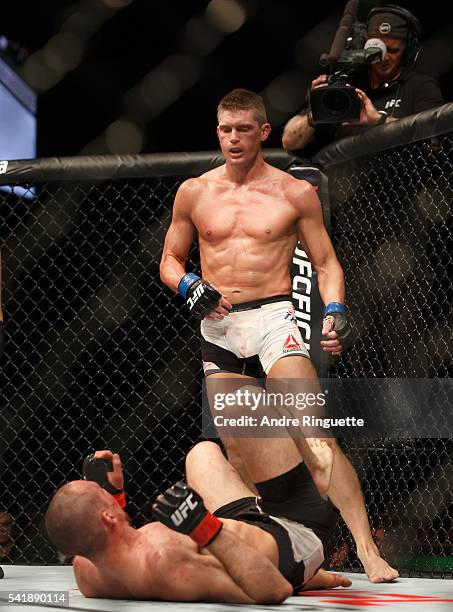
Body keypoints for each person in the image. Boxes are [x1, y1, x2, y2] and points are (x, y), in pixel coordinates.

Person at [159, 87, 398, 582]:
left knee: (315, 438)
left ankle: (365, 548)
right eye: (225, 129)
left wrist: (334, 309)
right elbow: (169, 260)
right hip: (219, 328)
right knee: (241, 452)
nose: (233, 139)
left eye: (243, 129)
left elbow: (327, 262)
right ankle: (280, 556)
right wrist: (189, 286)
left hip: (273, 320)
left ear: (263, 132)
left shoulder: (295, 192)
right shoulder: (195, 191)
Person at [45, 445, 351, 603]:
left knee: (202, 453)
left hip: (243, 527)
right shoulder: (171, 561)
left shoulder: (86, 572)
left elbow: (114, 543)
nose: (106, 491)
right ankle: (316, 476)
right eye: (102, 494)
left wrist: (114, 496)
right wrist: (204, 527)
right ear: (107, 517)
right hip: (299, 533)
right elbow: (273, 589)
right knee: (252, 408)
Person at [282, 4, 444, 155]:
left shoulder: (420, 86)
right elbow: (288, 142)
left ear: (407, 52)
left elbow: (435, 144)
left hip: (402, 180)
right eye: (377, 50)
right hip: (343, 182)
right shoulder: (346, 84)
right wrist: (315, 110)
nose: (384, 57)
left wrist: (379, 120)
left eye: (393, 50)